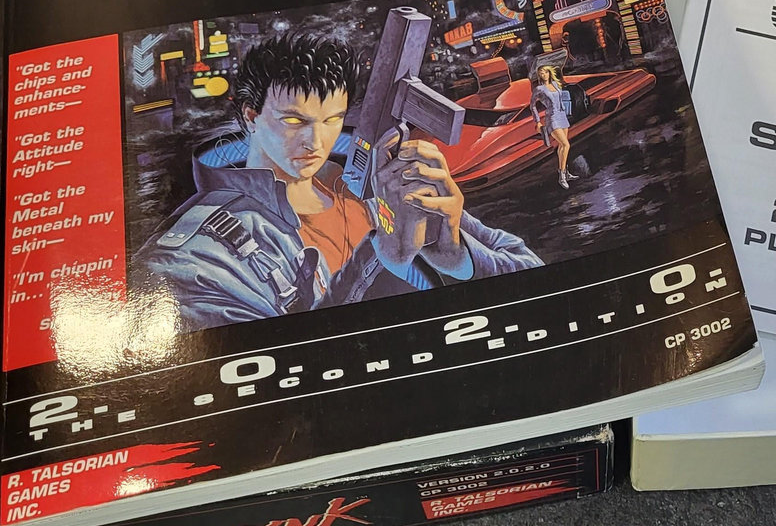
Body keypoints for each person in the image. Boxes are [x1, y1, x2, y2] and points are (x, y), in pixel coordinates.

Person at [131, 33, 542, 332]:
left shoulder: (369, 185)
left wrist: (456, 257)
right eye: (295, 121)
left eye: (332, 120)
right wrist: (385, 257)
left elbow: (533, 276)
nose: (316, 142)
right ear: (250, 117)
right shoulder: (194, 258)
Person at [531, 64, 579, 189]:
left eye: (545, 72)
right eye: (541, 73)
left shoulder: (555, 84)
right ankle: (562, 177)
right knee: (566, 145)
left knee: (561, 147)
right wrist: (537, 121)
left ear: (549, 73)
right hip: (552, 118)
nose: (543, 75)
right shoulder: (539, 89)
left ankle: (565, 172)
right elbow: (532, 105)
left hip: (562, 116)